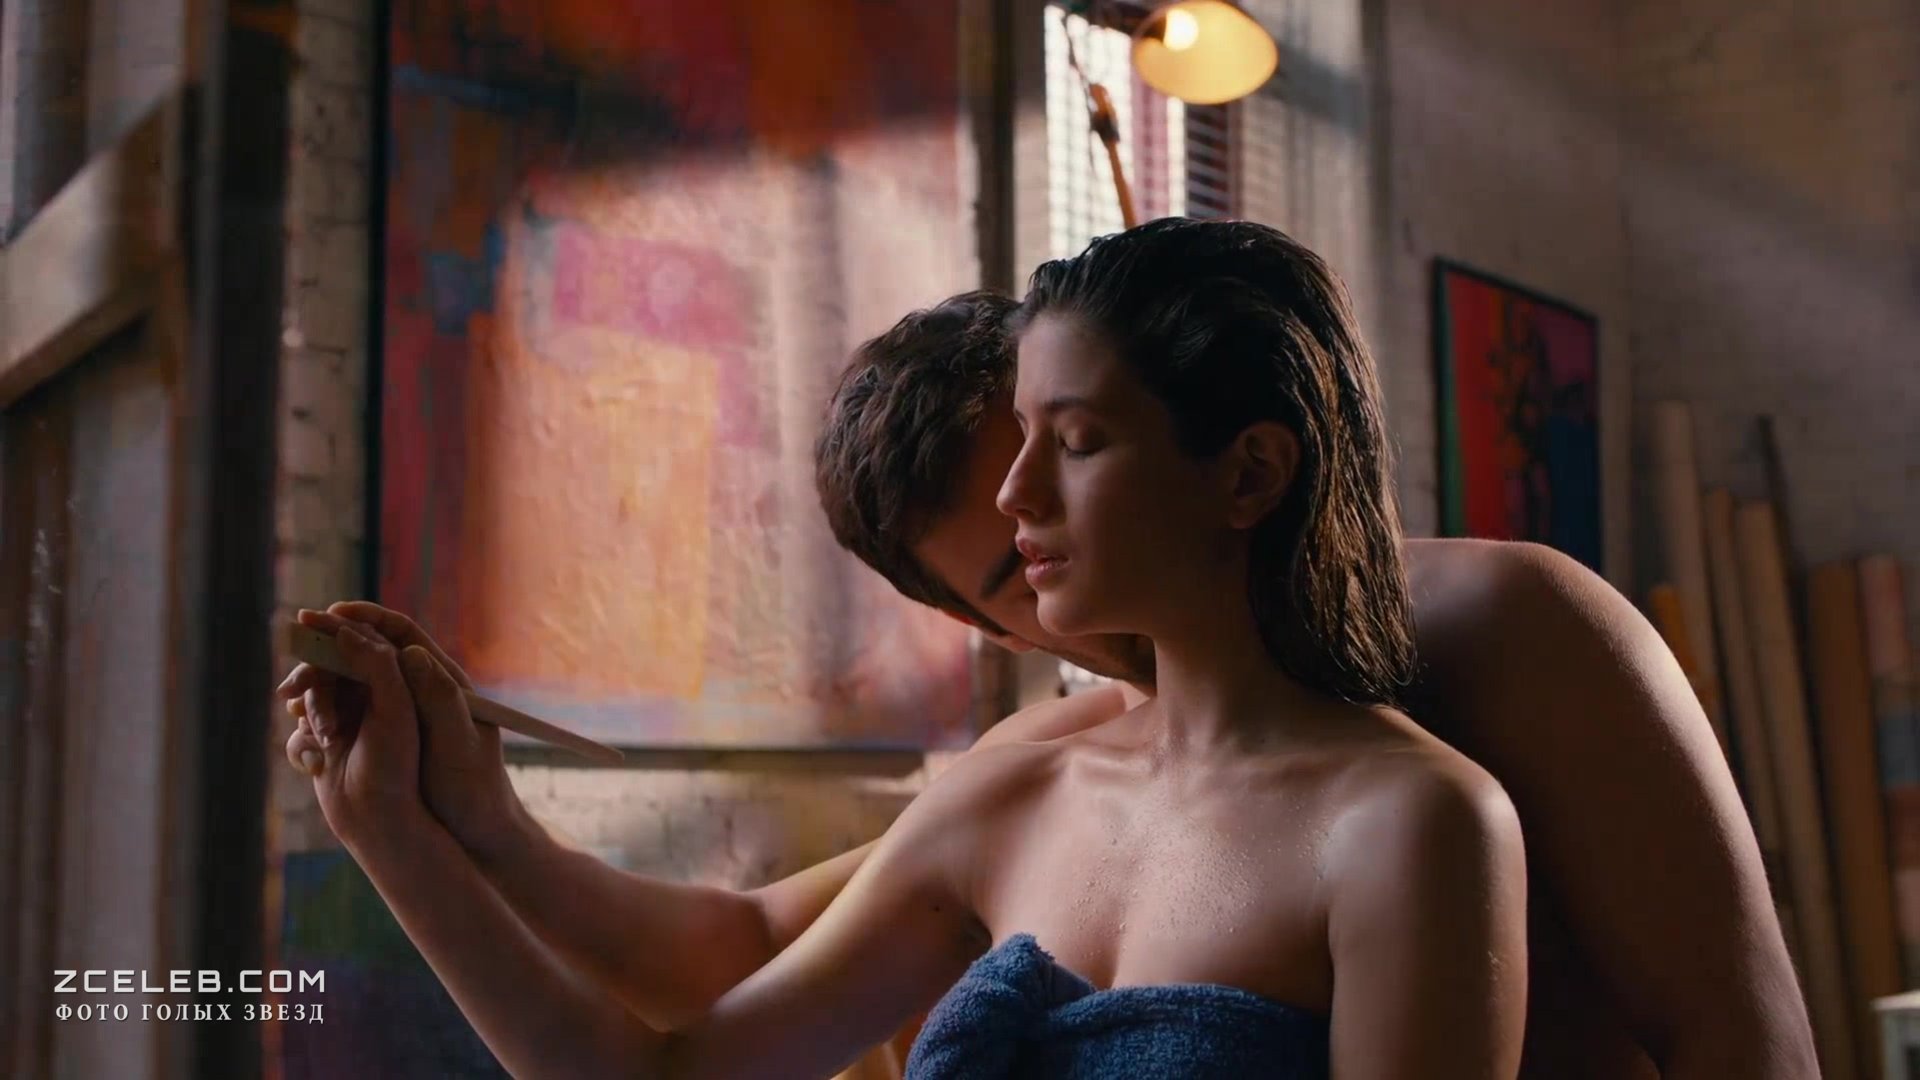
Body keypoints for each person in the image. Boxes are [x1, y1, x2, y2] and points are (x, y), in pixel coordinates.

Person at [283, 239, 1816, 1078]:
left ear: (1241, 469)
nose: (1031, 522)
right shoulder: (1034, 776)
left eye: (1064, 448)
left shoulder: (1497, 660)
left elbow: (1741, 1040)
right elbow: (738, 968)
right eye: (1000, 579)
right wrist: (447, 825)